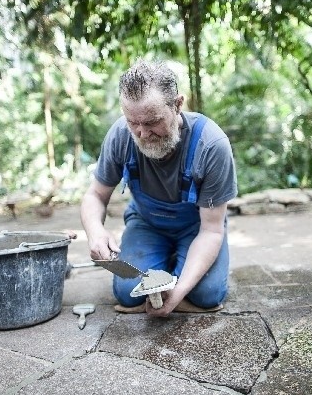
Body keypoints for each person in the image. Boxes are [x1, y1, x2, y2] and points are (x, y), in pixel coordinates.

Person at [80, 59, 237, 317]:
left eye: (152, 122)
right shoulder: (120, 135)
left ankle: (180, 266)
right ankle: (169, 262)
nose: (142, 133)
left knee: (207, 294)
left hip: (199, 227)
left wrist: (177, 294)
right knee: (127, 291)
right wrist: (95, 232)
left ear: (177, 105)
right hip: (147, 223)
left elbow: (211, 230)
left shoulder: (211, 145)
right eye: (133, 122)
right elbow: (95, 195)